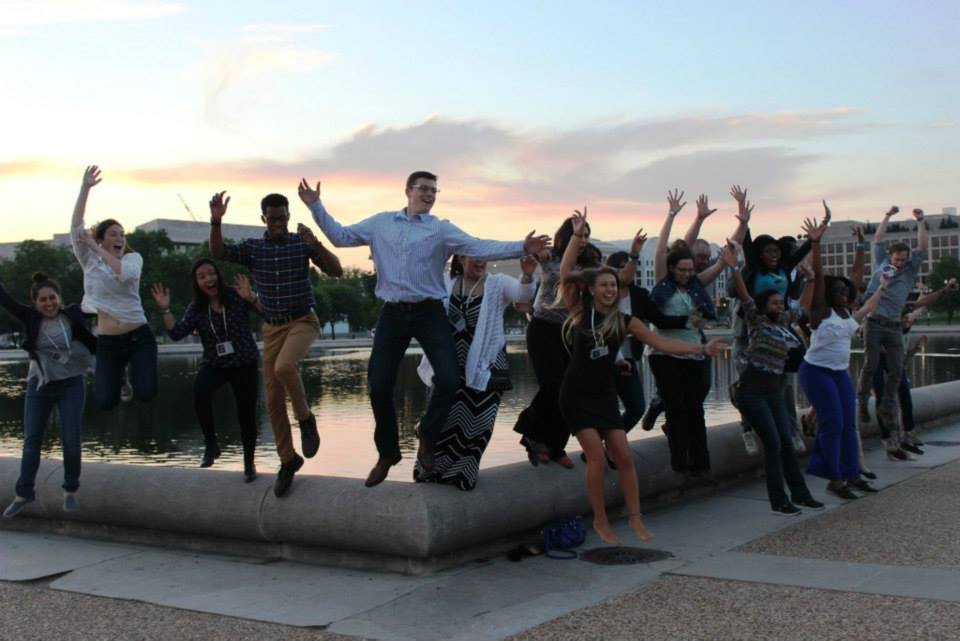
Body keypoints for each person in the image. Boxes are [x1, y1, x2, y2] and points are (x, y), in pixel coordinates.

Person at [298, 172, 550, 487]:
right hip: (393, 313)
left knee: (448, 379)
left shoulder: (440, 229)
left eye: (434, 190)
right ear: (408, 191)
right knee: (378, 384)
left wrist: (520, 246)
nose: (430, 194)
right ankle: (388, 453)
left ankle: (427, 436)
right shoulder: (381, 223)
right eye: (424, 189)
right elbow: (341, 237)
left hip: (429, 311)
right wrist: (315, 205)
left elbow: (478, 246)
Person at [558, 209, 727, 544]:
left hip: (604, 394)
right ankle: (601, 521)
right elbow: (565, 271)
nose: (609, 290)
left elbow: (662, 342)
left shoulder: (626, 321)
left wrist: (700, 351)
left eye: (613, 285)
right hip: (575, 395)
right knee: (596, 459)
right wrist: (577, 237)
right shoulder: (580, 312)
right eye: (603, 285)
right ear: (591, 290)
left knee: (622, 455)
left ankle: (635, 518)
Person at [210, 190, 343, 497]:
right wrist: (216, 222)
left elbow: (335, 270)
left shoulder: (300, 243)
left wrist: (317, 245)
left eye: (283, 218)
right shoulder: (254, 248)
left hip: (302, 321)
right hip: (272, 328)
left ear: (288, 216)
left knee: (285, 366)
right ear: (264, 220)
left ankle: (306, 419)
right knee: (271, 400)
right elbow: (219, 253)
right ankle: (288, 459)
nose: (279, 223)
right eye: (273, 220)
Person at [414, 254, 537, 489]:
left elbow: (523, 295)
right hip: (448, 367)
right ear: (460, 258)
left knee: (479, 425)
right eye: (475, 258)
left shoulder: (497, 283)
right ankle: (430, 474)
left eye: (484, 258)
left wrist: (528, 274)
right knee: (445, 421)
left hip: (487, 366)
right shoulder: (444, 282)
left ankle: (463, 475)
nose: (481, 263)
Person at [724, 236, 825, 516]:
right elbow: (744, 295)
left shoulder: (784, 323)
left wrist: (812, 279)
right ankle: (778, 501)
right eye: (774, 303)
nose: (779, 306)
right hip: (753, 392)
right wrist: (735, 268)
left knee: (786, 441)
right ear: (763, 305)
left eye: (781, 303)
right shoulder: (756, 319)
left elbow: (801, 304)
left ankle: (801, 494)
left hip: (775, 391)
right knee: (774, 443)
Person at [800, 204, 890, 500]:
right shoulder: (820, 312)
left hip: (839, 374)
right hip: (816, 372)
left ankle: (852, 474)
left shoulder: (849, 314)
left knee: (848, 425)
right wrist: (815, 243)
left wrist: (862, 245)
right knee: (833, 423)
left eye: (845, 290)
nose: (842, 291)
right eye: (836, 289)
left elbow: (857, 275)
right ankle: (834, 479)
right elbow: (823, 273)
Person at [150, 261, 262, 482]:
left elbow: (267, 314)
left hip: (244, 362)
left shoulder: (237, 295)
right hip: (215, 363)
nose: (208, 279)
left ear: (218, 276)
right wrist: (165, 308)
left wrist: (251, 297)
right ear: (197, 283)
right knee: (200, 391)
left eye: (211, 274)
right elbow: (176, 333)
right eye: (202, 276)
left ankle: (249, 462)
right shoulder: (196, 307)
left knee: (246, 414)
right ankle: (211, 445)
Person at [647, 191, 730, 484]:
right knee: (677, 408)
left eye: (690, 270)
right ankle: (680, 465)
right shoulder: (662, 282)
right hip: (665, 354)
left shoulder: (695, 284)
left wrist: (733, 224)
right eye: (681, 269)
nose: (687, 273)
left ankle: (701, 465)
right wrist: (673, 215)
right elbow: (662, 250)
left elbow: (720, 264)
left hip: (695, 352)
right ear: (672, 269)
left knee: (695, 409)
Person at [2, 273, 96, 518]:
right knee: (32, 440)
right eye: (43, 300)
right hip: (39, 386)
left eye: (52, 298)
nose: (48, 303)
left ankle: (70, 490)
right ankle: (24, 493)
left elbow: (99, 309)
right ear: (35, 303)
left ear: (59, 298)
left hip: (71, 385)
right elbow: (5, 300)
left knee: (71, 439)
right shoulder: (30, 318)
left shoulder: (72, 316)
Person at [512, 217, 603, 469]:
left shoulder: (592, 262)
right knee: (553, 385)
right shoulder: (549, 256)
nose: (583, 240)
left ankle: (554, 445)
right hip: (543, 328)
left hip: (572, 331)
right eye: (578, 235)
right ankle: (533, 433)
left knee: (571, 390)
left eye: (586, 235)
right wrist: (531, 256)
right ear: (566, 236)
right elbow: (532, 256)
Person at [70, 165, 157, 410]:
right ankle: (121, 377)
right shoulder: (89, 262)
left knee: (147, 393)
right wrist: (85, 188)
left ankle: (131, 372)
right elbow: (76, 226)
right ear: (101, 238)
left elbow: (124, 275)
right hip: (108, 340)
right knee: (106, 401)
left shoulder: (133, 259)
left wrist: (96, 247)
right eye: (113, 234)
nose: (120, 239)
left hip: (139, 336)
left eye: (122, 234)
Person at [856, 207, 928, 435]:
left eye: (902, 260)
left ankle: (888, 409)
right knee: (871, 365)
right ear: (891, 256)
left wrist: (920, 221)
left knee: (897, 370)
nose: (898, 263)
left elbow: (923, 247)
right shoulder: (883, 263)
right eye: (896, 259)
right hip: (874, 321)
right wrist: (887, 215)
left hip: (894, 325)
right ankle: (861, 404)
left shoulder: (909, 270)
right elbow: (878, 238)